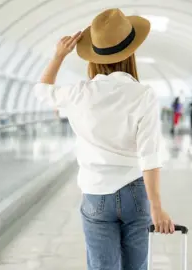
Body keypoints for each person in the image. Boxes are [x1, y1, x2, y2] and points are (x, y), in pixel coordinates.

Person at [33, 9, 175, 270]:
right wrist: (157, 206)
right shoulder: (143, 95)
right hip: (135, 192)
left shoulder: (78, 93)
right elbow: (150, 153)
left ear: (94, 57)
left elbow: (42, 91)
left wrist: (58, 55)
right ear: (130, 53)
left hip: (95, 192)